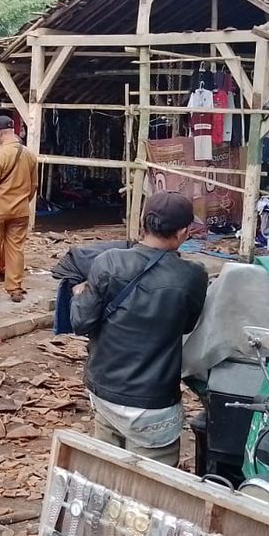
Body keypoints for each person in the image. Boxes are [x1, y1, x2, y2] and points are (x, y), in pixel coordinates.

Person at [69, 192, 209, 466]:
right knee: (151, 496)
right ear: (183, 232)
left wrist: (78, 294)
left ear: (143, 223)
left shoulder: (108, 262)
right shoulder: (193, 276)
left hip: (105, 392)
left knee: (106, 477)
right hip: (154, 405)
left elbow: (80, 322)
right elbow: (188, 325)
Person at [0, 115, 38, 302]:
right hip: (21, 211)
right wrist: (23, 202)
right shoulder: (29, 155)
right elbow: (34, 186)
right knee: (16, 250)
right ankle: (15, 289)